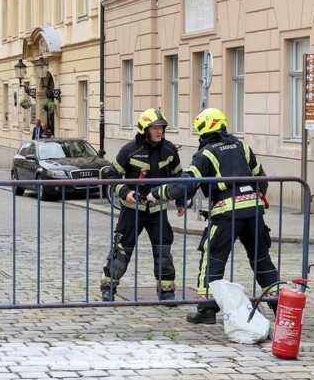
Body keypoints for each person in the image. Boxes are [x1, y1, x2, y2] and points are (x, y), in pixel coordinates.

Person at [155, 108, 281, 324]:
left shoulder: (207, 153)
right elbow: (261, 177)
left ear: (205, 130)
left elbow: (189, 182)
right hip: (253, 211)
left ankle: (206, 309)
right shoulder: (242, 146)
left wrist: (160, 193)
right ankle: (279, 303)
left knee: (212, 257)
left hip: (226, 212)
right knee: (261, 258)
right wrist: (259, 197)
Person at [102, 108, 185, 303]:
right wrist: (125, 192)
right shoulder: (129, 150)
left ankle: (167, 292)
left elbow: (180, 178)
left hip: (158, 210)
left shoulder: (170, 150)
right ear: (144, 130)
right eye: (155, 128)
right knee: (121, 250)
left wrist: (181, 201)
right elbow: (112, 175)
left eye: (161, 128)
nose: (159, 132)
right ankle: (108, 287)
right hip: (132, 211)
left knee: (163, 252)